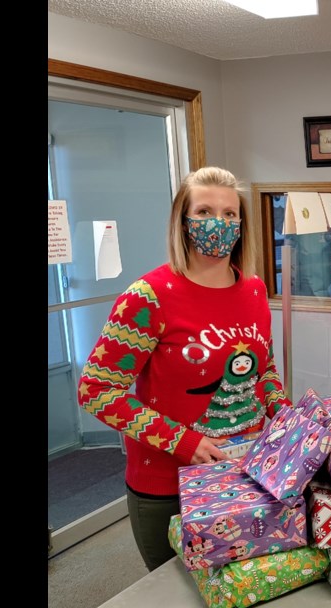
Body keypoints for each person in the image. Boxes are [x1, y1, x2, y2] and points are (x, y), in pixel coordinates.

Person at [78, 166, 291, 571]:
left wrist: (285, 414)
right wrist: (183, 442)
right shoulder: (149, 298)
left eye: (230, 214)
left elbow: (262, 372)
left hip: (247, 472)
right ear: (183, 220)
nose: (219, 223)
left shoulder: (253, 289)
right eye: (206, 211)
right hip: (169, 487)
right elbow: (96, 391)